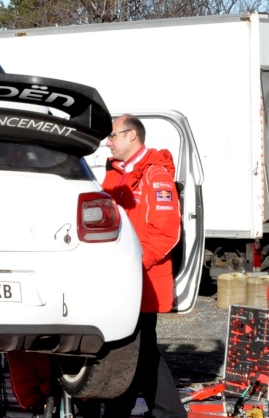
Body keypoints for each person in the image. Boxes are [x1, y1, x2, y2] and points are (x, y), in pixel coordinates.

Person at [101, 114, 185, 418]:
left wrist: (135, 264)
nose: (108, 142)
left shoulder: (155, 174)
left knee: (135, 349)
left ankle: (161, 412)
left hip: (141, 279)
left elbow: (166, 231)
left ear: (132, 135)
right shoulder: (115, 173)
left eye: (112, 136)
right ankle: (162, 411)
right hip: (119, 279)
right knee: (135, 350)